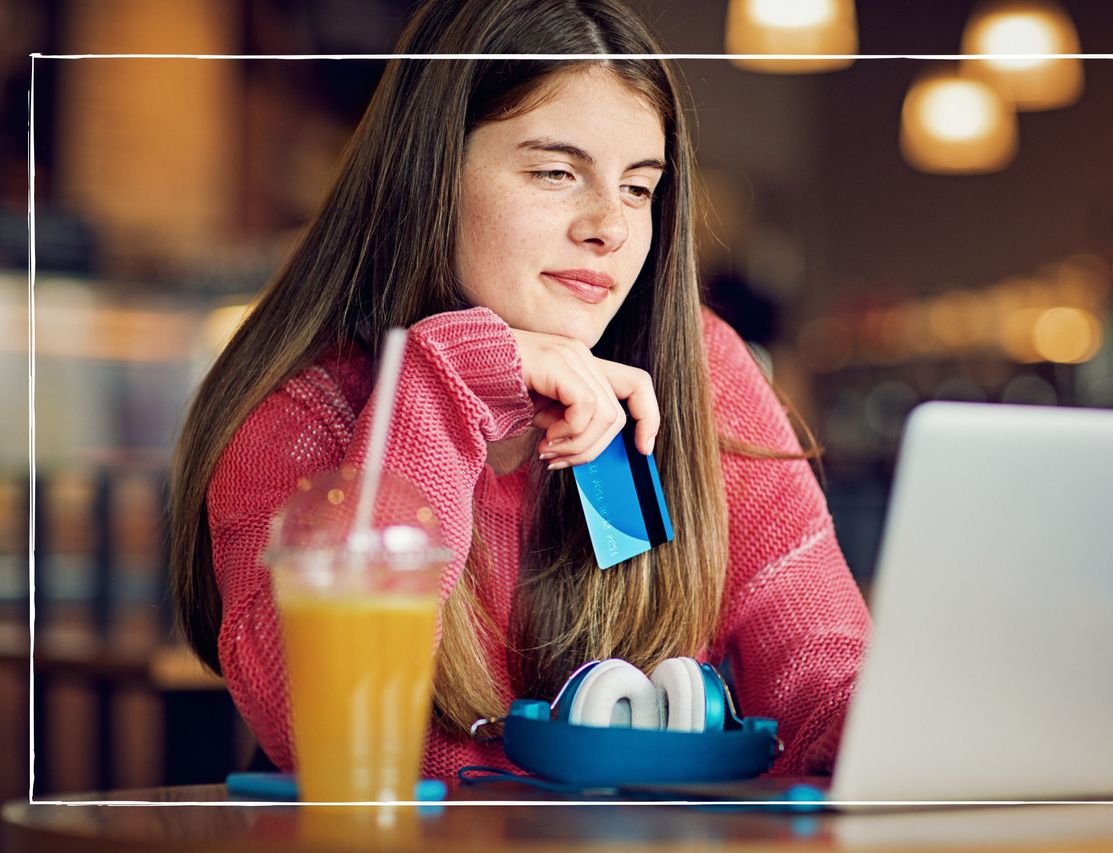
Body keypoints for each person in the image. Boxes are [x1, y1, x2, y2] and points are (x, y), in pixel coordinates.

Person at [168, 0, 872, 780]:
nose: (610, 225)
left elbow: (823, 665)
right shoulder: (299, 417)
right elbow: (326, 724)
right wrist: (446, 380)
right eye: (555, 172)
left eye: (640, 188)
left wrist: (896, 732)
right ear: (428, 175)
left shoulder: (698, 369)